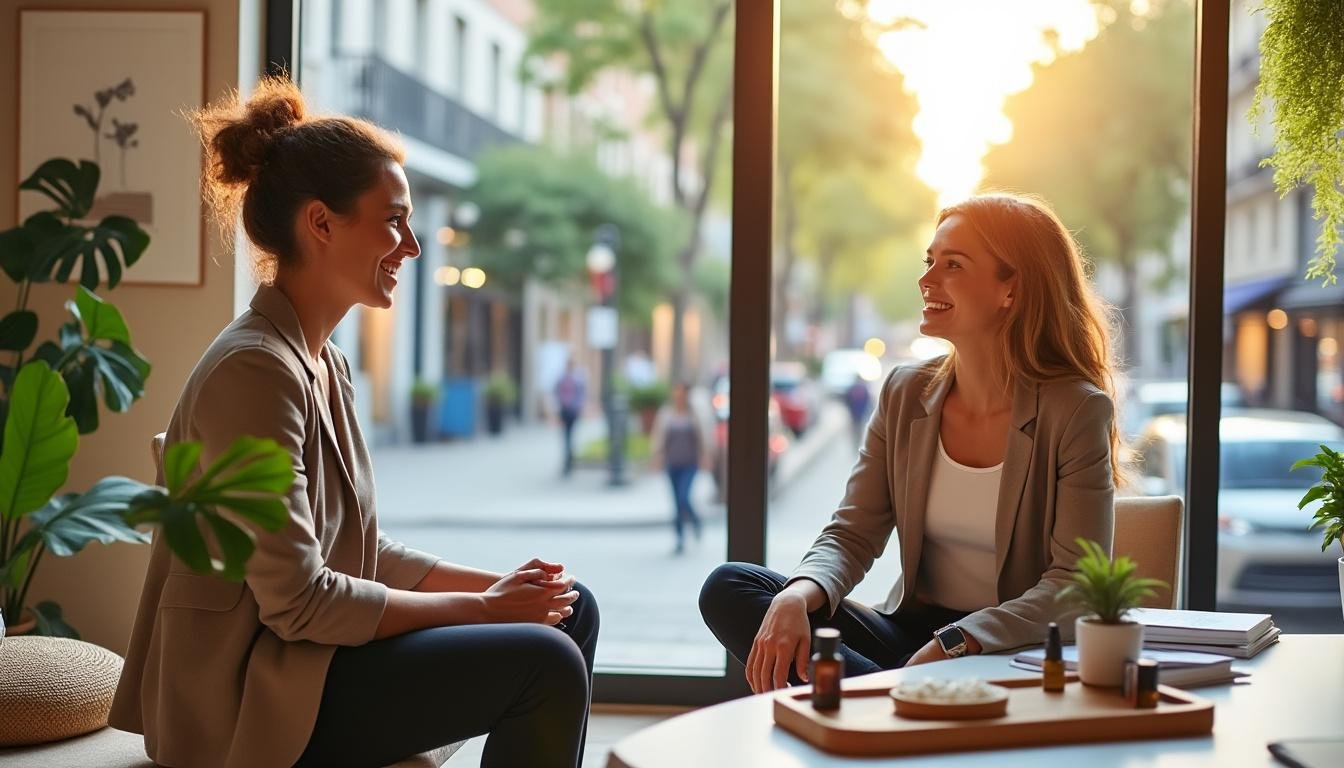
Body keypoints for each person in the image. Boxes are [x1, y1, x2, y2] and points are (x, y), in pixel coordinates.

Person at [109, 79, 599, 768]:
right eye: (395, 220)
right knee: (543, 659)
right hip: (251, 692)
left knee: (571, 610)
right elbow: (300, 602)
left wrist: (499, 586)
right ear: (322, 223)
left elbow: (363, 550)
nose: (414, 246)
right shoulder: (254, 372)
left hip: (308, 659)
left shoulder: (321, 362)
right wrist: (487, 610)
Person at [700, 193, 1123, 694]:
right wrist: (798, 592)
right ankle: (908, 704)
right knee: (730, 588)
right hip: (910, 639)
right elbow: (853, 532)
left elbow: (1073, 582)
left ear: (1011, 289)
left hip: (1007, 648)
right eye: (929, 262)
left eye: (953, 265)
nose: (926, 280)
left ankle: (887, 707)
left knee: (875, 674)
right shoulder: (905, 392)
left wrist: (958, 642)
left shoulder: (1075, 409)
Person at [650, 382, 715, 555]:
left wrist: (705, 456)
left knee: (683, 497)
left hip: (689, 464)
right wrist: (657, 456)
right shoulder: (667, 413)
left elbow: (703, 436)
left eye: (681, 393)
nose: (678, 396)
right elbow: (659, 437)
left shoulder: (694, 414)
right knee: (676, 502)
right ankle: (679, 537)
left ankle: (695, 520)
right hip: (673, 463)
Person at [554, 358, 587, 477]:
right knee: (566, 435)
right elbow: (556, 392)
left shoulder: (578, 379)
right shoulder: (561, 378)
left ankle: (569, 457)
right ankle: (568, 458)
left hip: (573, 411)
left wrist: (579, 407)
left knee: (570, 434)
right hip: (565, 410)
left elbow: (582, 394)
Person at [845, 374, 873, 445]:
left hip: (854, 413)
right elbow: (868, 400)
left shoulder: (852, 388)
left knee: (856, 428)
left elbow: (847, 400)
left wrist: (850, 409)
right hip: (861, 412)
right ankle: (858, 441)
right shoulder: (864, 388)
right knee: (859, 428)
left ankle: (856, 442)